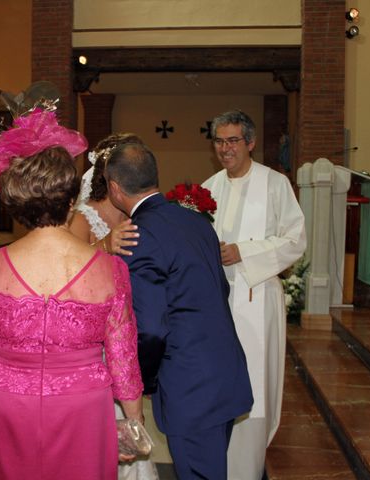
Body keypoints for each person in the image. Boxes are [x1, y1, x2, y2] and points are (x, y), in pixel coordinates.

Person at [0, 107, 144, 479]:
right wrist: (134, 423)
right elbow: (124, 362)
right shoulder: (110, 270)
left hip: (6, 406)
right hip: (82, 409)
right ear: (70, 194)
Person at [104, 143, 253, 480]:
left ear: (115, 189)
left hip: (190, 387)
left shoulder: (138, 235)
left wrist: (143, 385)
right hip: (223, 372)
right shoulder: (196, 221)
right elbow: (219, 290)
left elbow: (150, 328)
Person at [201, 110, 306, 480]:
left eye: (233, 141)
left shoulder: (275, 184)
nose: (225, 149)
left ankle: (247, 469)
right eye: (219, 141)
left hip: (258, 300)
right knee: (218, 385)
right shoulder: (208, 188)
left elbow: (296, 240)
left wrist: (243, 251)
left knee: (255, 386)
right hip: (217, 303)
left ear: (250, 143)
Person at [70, 134, 157, 480]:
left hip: (128, 337)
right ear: (110, 181)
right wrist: (104, 246)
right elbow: (68, 276)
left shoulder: (139, 216)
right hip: (94, 346)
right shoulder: (81, 219)